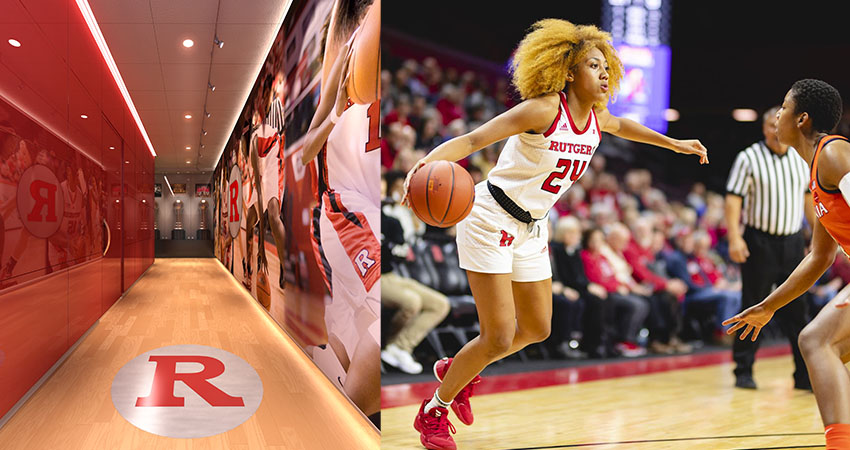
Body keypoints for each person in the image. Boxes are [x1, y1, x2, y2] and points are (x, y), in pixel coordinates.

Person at [402, 19, 708, 450]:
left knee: (539, 328)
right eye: (592, 65)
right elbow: (473, 139)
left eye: (607, 66)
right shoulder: (544, 109)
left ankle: (459, 368)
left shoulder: (598, 119)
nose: (604, 73)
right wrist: (418, 168)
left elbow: (626, 127)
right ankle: (434, 410)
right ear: (568, 73)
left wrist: (675, 144)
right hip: (491, 218)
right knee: (499, 335)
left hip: (532, 226)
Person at [723, 79, 849, 450]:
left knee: (816, 342)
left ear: (802, 119)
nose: (777, 114)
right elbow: (818, 258)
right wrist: (767, 306)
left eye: (783, 107)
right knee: (820, 345)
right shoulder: (815, 172)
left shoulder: (834, 154)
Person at [300, 0, 381, 421]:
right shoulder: (351, 52)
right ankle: (337, 425)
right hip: (346, 206)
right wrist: (333, 113)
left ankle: (323, 382)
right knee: (382, 314)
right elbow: (305, 152)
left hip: (366, 207)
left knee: (353, 332)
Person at [724, 106, 814, 390]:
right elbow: (732, 200)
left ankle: (803, 375)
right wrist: (734, 238)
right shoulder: (748, 157)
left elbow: (808, 199)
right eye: (772, 125)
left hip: (792, 242)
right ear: (764, 128)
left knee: (797, 311)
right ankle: (743, 370)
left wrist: (816, 233)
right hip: (758, 241)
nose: (776, 130)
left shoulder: (800, 159)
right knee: (753, 305)